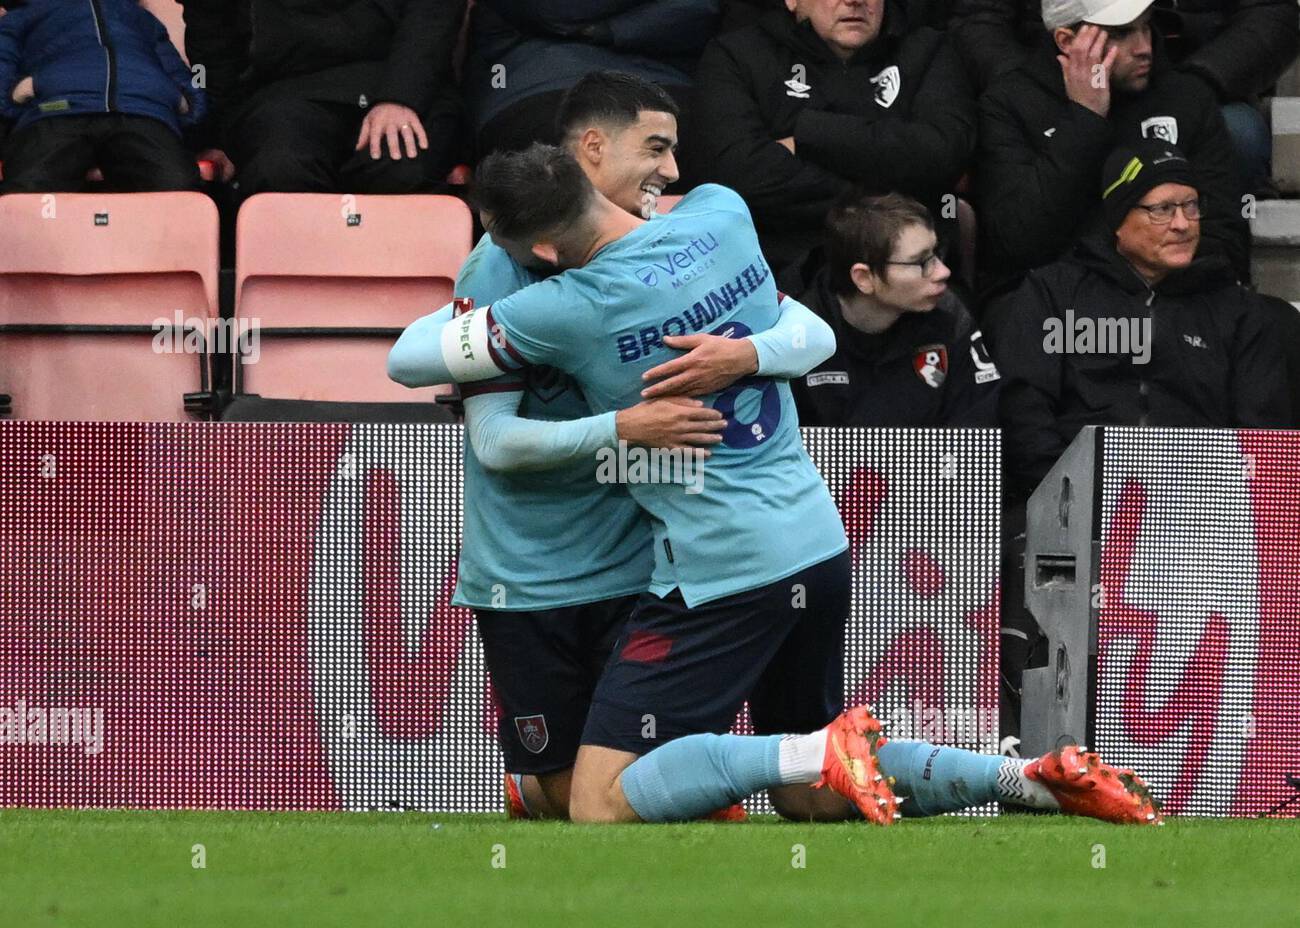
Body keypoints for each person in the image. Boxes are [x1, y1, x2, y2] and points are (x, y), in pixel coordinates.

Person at [401, 142, 1165, 827]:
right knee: (813, 795)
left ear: (540, 247)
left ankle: (814, 753)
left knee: (600, 800)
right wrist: (751, 352)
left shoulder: (561, 308)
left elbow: (409, 360)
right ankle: (1024, 774)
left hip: (722, 564)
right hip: (814, 540)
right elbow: (810, 331)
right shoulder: (723, 214)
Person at [389, 72, 835, 820]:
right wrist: (624, 429)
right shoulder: (504, 271)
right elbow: (490, 437)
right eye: (655, 148)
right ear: (593, 149)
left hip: (638, 562)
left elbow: (813, 332)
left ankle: (837, 762)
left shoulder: (689, 234)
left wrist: (746, 354)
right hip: (534, 575)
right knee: (578, 796)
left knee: (645, 791)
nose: (670, 171)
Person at [989, 138, 1293, 737]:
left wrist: (1190, 512)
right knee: (1027, 564)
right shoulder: (1053, 295)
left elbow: (1263, 440)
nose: (1182, 224)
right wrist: (1076, 505)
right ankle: (1029, 750)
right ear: (1118, 220)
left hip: (1201, 521)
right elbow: (1025, 411)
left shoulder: (1239, 313)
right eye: (1161, 209)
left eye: (1192, 207)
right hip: (1072, 509)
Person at [687, 0, 976, 289]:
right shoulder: (737, 55)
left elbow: (944, 155)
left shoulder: (929, 50)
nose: (855, 1)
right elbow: (737, 176)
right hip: (780, 281)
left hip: (913, 279)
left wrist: (810, 134)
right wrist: (895, 190)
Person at [976, 0, 1249, 303]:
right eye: (1120, 33)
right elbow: (1019, 243)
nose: (1144, 47)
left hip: (1176, 301)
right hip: (1061, 309)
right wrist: (1084, 120)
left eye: (1147, 26)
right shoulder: (1008, 106)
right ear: (1067, 41)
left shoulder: (1187, 98)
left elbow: (1225, 235)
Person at [955, 0, 1298, 190]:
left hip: (1197, 73)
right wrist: (1035, 89)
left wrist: (1195, 85)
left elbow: (1272, 13)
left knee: (1237, 132)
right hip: (1050, 80)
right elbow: (979, 20)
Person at [178, 0, 463, 193]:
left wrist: (400, 97)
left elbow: (433, 13)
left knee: (400, 167)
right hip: (282, 95)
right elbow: (212, 38)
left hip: (400, 84)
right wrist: (217, 133)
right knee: (278, 169)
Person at [793, 191, 1001, 428]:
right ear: (864, 278)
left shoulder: (951, 317)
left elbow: (976, 440)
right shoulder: (795, 337)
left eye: (936, 253)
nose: (943, 272)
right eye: (922, 262)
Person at [465, 1, 718, 159]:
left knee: (722, 153)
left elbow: (702, 9)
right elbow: (553, 8)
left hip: (664, 83)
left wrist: (610, 30)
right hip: (536, 86)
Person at [0, 0, 205, 192]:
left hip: (143, 110)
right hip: (55, 108)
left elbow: (189, 76)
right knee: (27, 195)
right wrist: (22, 92)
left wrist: (184, 101)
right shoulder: (24, 15)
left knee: (180, 189)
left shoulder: (143, 19)